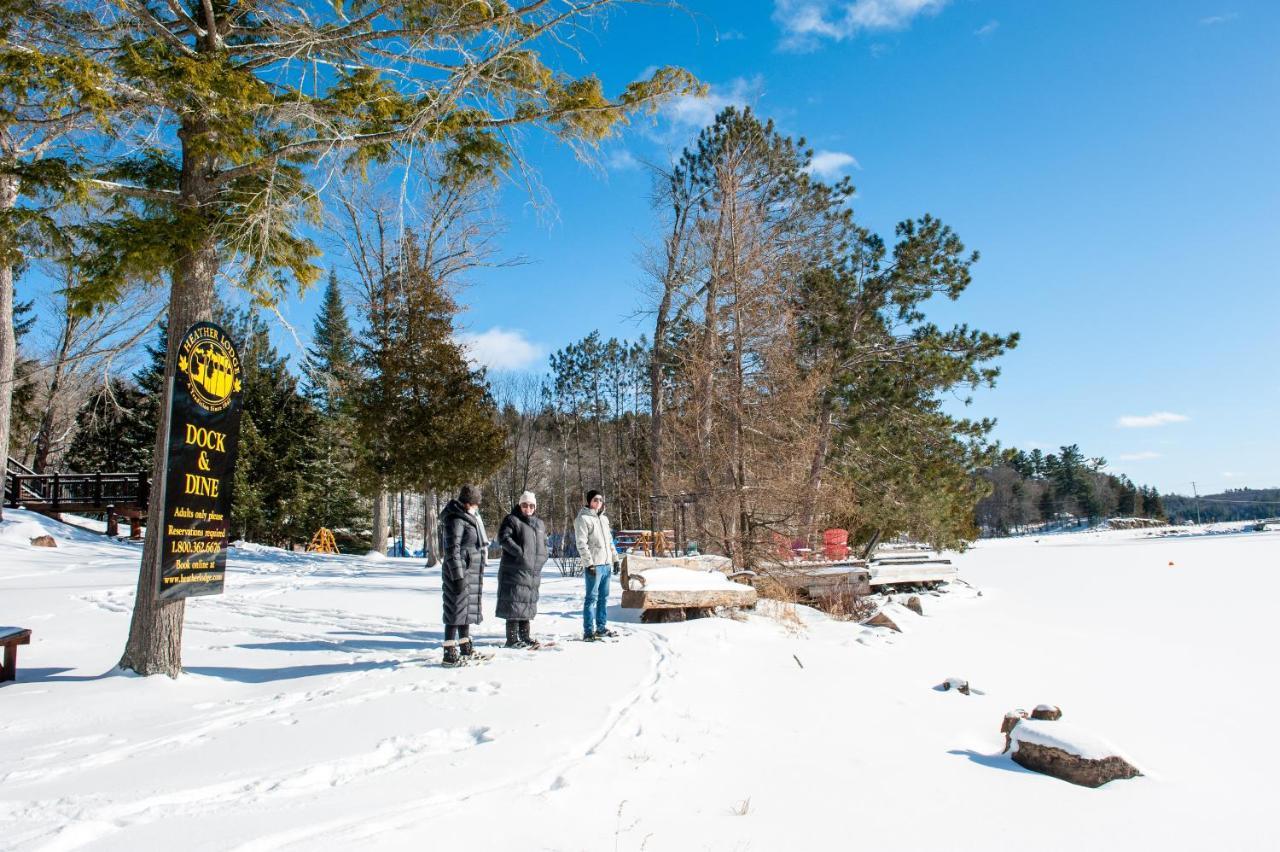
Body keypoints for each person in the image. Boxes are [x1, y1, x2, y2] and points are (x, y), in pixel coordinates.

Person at [439, 484, 488, 666]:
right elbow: (452, 550)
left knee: (464, 612)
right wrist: (458, 576)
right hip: (457, 572)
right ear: (469, 503)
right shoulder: (456, 520)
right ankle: (449, 654)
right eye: (476, 503)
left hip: (468, 571)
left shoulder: (467, 518)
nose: (478, 507)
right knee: (454, 612)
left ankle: (465, 648)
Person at [496, 490, 549, 649]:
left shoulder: (539, 524)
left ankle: (525, 636)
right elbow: (504, 538)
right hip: (515, 570)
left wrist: (542, 557)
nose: (528, 508)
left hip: (532, 572)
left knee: (527, 603)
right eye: (525, 505)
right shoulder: (512, 520)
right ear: (520, 505)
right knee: (514, 603)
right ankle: (511, 638)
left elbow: (544, 543)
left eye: (531, 505)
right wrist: (520, 553)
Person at [575, 489, 621, 641]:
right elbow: (581, 544)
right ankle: (588, 632)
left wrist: (615, 559)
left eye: (600, 500)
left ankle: (601, 628)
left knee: (604, 598)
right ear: (589, 501)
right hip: (594, 566)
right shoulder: (583, 519)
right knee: (591, 599)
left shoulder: (604, 519)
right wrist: (589, 564)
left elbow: (609, 541)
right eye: (595, 500)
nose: (598, 503)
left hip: (606, 565)